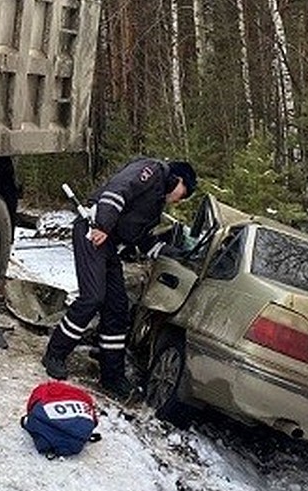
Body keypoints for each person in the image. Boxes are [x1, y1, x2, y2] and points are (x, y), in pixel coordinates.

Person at [41, 157, 198, 400]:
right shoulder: (151, 171)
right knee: (92, 297)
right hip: (92, 232)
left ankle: (111, 375)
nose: (179, 199)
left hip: (110, 244)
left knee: (117, 308)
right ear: (179, 179)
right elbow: (117, 191)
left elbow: (141, 239)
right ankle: (55, 353)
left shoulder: (156, 204)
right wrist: (102, 225)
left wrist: (176, 254)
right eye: (182, 193)